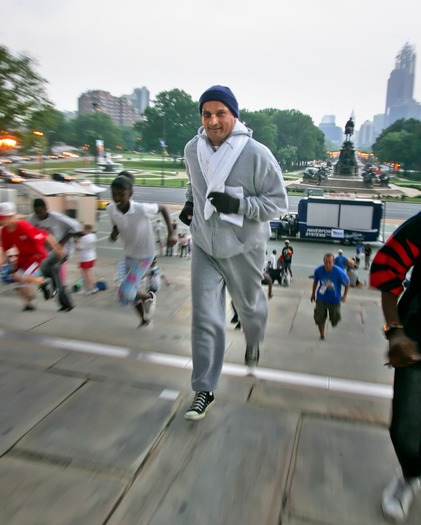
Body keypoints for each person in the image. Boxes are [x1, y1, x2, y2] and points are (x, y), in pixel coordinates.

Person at [179, 85, 287, 420]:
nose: (212, 121)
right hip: (204, 245)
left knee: (249, 309)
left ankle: (254, 340)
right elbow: (194, 182)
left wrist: (238, 204)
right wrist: (189, 202)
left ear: (234, 115)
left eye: (220, 113)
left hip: (244, 247)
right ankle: (203, 389)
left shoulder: (256, 154)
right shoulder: (192, 149)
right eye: (206, 114)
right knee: (205, 318)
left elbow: (278, 204)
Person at [370, 212, 421, 523]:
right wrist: (395, 331)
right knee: (408, 420)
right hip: (419, 339)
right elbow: (387, 267)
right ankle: (411, 475)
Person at [108, 173, 177, 327]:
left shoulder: (141, 209)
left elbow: (164, 208)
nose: (117, 197)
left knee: (125, 291)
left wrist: (172, 233)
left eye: (121, 194)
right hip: (129, 255)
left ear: (130, 193)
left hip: (145, 256)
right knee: (127, 294)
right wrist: (114, 233)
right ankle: (144, 319)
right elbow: (116, 225)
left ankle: (148, 297)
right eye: (114, 194)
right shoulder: (111, 209)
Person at [0, 201, 65, 311]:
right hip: (23, 256)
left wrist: (58, 248)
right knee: (18, 283)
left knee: (19, 275)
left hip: (36, 255)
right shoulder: (4, 232)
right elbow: (5, 251)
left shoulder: (23, 226)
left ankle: (43, 282)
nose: (0, 220)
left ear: (11, 216)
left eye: (2, 217)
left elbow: (45, 234)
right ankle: (30, 304)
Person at [28, 198, 81, 312]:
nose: (39, 216)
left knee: (49, 269)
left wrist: (64, 241)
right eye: (36, 213)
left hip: (62, 250)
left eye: (41, 212)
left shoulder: (57, 218)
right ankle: (65, 302)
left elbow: (75, 226)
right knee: (54, 276)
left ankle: (49, 288)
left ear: (46, 209)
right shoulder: (32, 219)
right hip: (46, 252)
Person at [311, 252, 350, 340]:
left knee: (335, 318)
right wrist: (313, 294)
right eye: (326, 262)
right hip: (321, 298)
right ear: (323, 261)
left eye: (330, 262)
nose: (328, 264)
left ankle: (334, 321)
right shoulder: (318, 271)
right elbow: (315, 282)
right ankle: (322, 335)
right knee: (319, 318)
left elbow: (347, 283)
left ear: (333, 262)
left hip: (334, 300)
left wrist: (344, 296)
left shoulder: (339, 272)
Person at [74, 224, 98, 295]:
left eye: (84, 229)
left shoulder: (84, 238)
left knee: (85, 274)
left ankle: (87, 289)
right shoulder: (94, 236)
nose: (83, 231)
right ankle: (94, 287)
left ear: (87, 230)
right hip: (92, 256)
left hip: (85, 258)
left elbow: (78, 248)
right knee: (90, 273)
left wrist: (77, 241)